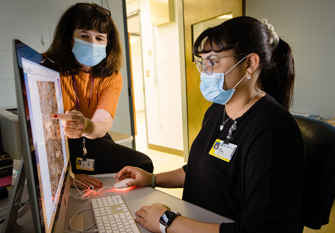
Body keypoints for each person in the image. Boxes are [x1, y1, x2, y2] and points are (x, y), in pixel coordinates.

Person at [114, 16, 305, 233]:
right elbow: (200, 169)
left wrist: (168, 222)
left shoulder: (273, 130)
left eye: (213, 62)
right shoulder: (217, 110)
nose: (205, 72)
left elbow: (261, 230)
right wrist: (152, 178)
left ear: (250, 64)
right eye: (202, 62)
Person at [45, 3, 153, 189]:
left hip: (90, 135)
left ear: (108, 42)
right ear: (69, 36)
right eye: (84, 36)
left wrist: (84, 125)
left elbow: (101, 124)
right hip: (54, 143)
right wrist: (69, 176)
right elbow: (38, 134)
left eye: (99, 38)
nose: (92, 43)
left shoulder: (111, 76)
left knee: (142, 165)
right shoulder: (45, 66)